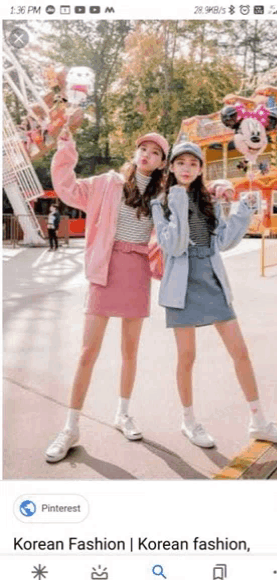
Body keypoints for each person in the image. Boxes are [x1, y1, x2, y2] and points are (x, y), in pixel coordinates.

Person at [151, 141, 277, 448]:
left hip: (212, 278)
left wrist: (242, 210)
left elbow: (225, 242)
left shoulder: (209, 201)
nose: (186, 168)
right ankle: (189, 421)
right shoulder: (160, 202)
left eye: (193, 163)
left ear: (201, 168)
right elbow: (174, 247)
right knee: (187, 357)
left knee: (240, 351)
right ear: (171, 168)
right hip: (181, 285)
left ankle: (258, 421)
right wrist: (177, 199)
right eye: (180, 163)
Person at [45, 130, 169, 462]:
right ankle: (70, 427)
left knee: (130, 351)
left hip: (138, 271)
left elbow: (183, 221)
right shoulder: (106, 183)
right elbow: (67, 187)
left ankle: (123, 413)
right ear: (135, 150)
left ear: (161, 163)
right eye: (142, 147)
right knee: (88, 351)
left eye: (154, 152)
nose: (146, 154)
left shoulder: (162, 196)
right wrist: (67, 145)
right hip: (105, 269)